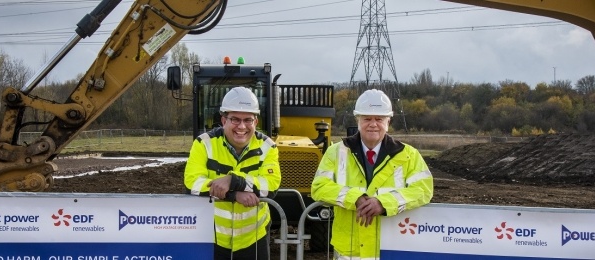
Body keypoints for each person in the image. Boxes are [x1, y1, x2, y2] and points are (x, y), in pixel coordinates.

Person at [311, 89, 434, 259]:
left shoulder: (408, 155)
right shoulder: (335, 152)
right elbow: (319, 188)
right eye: (367, 118)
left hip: (389, 249)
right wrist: (354, 197)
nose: (373, 124)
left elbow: (423, 190)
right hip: (348, 252)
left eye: (379, 119)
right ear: (358, 120)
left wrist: (384, 203)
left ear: (388, 121)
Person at [184, 86, 281, 260]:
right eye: (235, 119)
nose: (242, 126)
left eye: (248, 120)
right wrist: (235, 194)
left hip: (254, 238)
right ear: (223, 120)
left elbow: (270, 185)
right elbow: (193, 184)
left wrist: (234, 180)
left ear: (256, 122)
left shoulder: (268, 147)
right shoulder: (203, 144)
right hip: (213, 238)